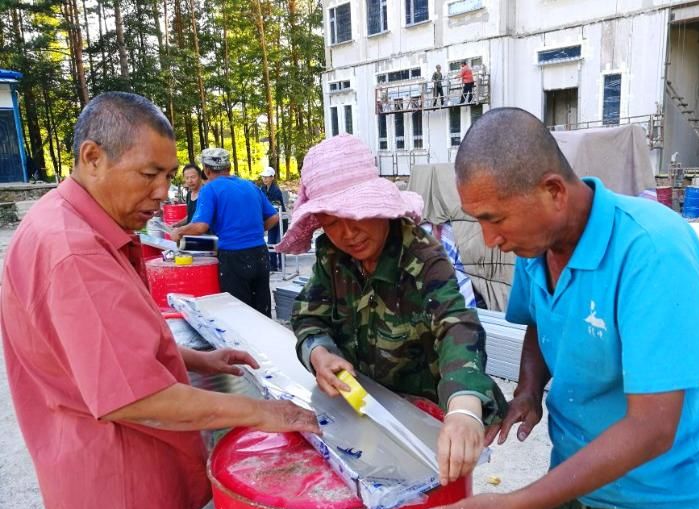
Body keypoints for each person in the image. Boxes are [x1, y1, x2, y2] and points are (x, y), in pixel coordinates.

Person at [421, 108, 699, 509]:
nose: (491, 240)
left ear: (553, 192)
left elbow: (652, 429)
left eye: (495, 220)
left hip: (665, 497)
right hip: (577, 479)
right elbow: (540, 318)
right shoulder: (536, 245)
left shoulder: (653, 250)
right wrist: (529, 390)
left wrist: (514, 507)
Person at [0, 92, 319, 509]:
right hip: (126, 473)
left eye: (169, 176)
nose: (162, 193)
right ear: (93, 157)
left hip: (122, 463)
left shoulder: (72, 222)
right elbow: (136, 396)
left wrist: (195, 357)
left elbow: (102, 348)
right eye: (150, 175)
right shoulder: (76, 252)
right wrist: (266, 413)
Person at [276, 134, 508, 485]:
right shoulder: (332, 256)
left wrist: (464, 409)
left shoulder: (422, 256)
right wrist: (319, 353)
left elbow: (457, 325)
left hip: (423, 414)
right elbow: (308, 315)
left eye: (356, 215)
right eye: (332, 222)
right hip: (359, 407)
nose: (348, 233)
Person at [174, 148, 279, 317]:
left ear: (206, 170)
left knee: (239, 314)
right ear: (229, 167)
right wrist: (255, 232)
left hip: (233, 257)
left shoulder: (210, 189)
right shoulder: (250, 186)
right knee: (262, 311)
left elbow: (200, 226)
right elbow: (274, 217)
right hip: (260, 253)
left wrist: (179, 231)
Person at [257, 165, 287, 272]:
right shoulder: (262, 189)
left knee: (279, 242)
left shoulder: (276, 191)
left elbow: (273, 206)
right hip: (271, 219)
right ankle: (273, 266)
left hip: (280, 219)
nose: (264, 179)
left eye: (267, 177)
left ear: (272, 177)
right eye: (263, 177)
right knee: (270, 242)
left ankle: (281, 265)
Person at [170, 163, 205, 228]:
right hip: (190, 232)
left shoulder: (206, 194)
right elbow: (190, 216)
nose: (190, 181)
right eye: (187, 178)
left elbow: (202, 220)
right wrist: (178, 224)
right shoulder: (189, 194)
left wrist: (183, 229)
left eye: (193, 177)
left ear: (200, 177)